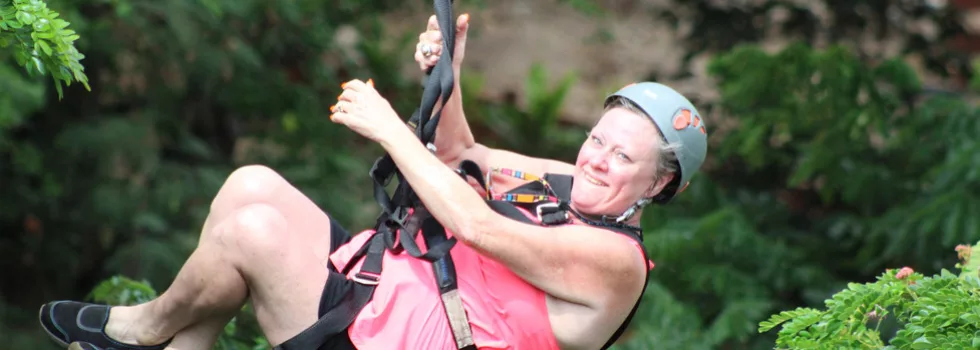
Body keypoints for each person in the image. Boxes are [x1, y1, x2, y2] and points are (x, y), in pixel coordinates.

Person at [38, 13, 708, 350]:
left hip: (392, 337)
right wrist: (448, 72)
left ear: (656, 185)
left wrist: (390, 127)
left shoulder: (615, 263)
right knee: (250, 184)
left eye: (622, 159)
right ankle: (166, 339)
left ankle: (142, 329)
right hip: (381, 290)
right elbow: (460, 154)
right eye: (597, 139)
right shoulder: (566, 184)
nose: (594, 160)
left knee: (250, 231)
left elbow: (477, 226)